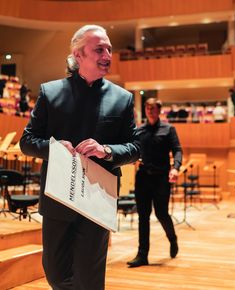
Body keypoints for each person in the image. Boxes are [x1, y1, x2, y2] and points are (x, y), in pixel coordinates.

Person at [20, 24, 140, 290]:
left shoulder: (122, 98)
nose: (107, 54)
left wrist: (107, 150)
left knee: (89, 278)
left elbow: (135, 147)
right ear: (79, 54)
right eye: (99, 49)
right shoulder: (50, 92)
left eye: (109, 48)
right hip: (58, 198)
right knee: (54, 272)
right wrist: (54, 148)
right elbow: (27, 142)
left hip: (97, 200)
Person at [127, 98, 183, 268]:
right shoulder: (139, 130)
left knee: (161, 213)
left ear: (159, 110)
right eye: (148, 108)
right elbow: (133, 148)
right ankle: (142, 255)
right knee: (143, 216)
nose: (150, 110)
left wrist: (175, 167)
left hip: (161, 178)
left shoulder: (168, 129)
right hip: (143, 177)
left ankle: (172, 239)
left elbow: (177, 150)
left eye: (153, 108)